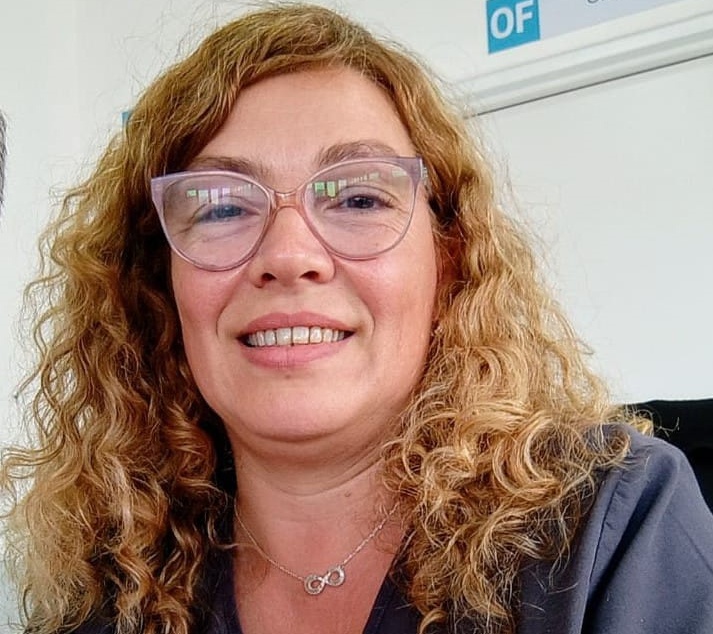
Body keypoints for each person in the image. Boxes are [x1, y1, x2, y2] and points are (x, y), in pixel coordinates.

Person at [2, 3, 712, 634]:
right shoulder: (106, 590)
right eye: (221, 206)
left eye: (359, 198)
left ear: (449, 258)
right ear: (157, 282)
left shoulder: (611, 526)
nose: (288, 256)